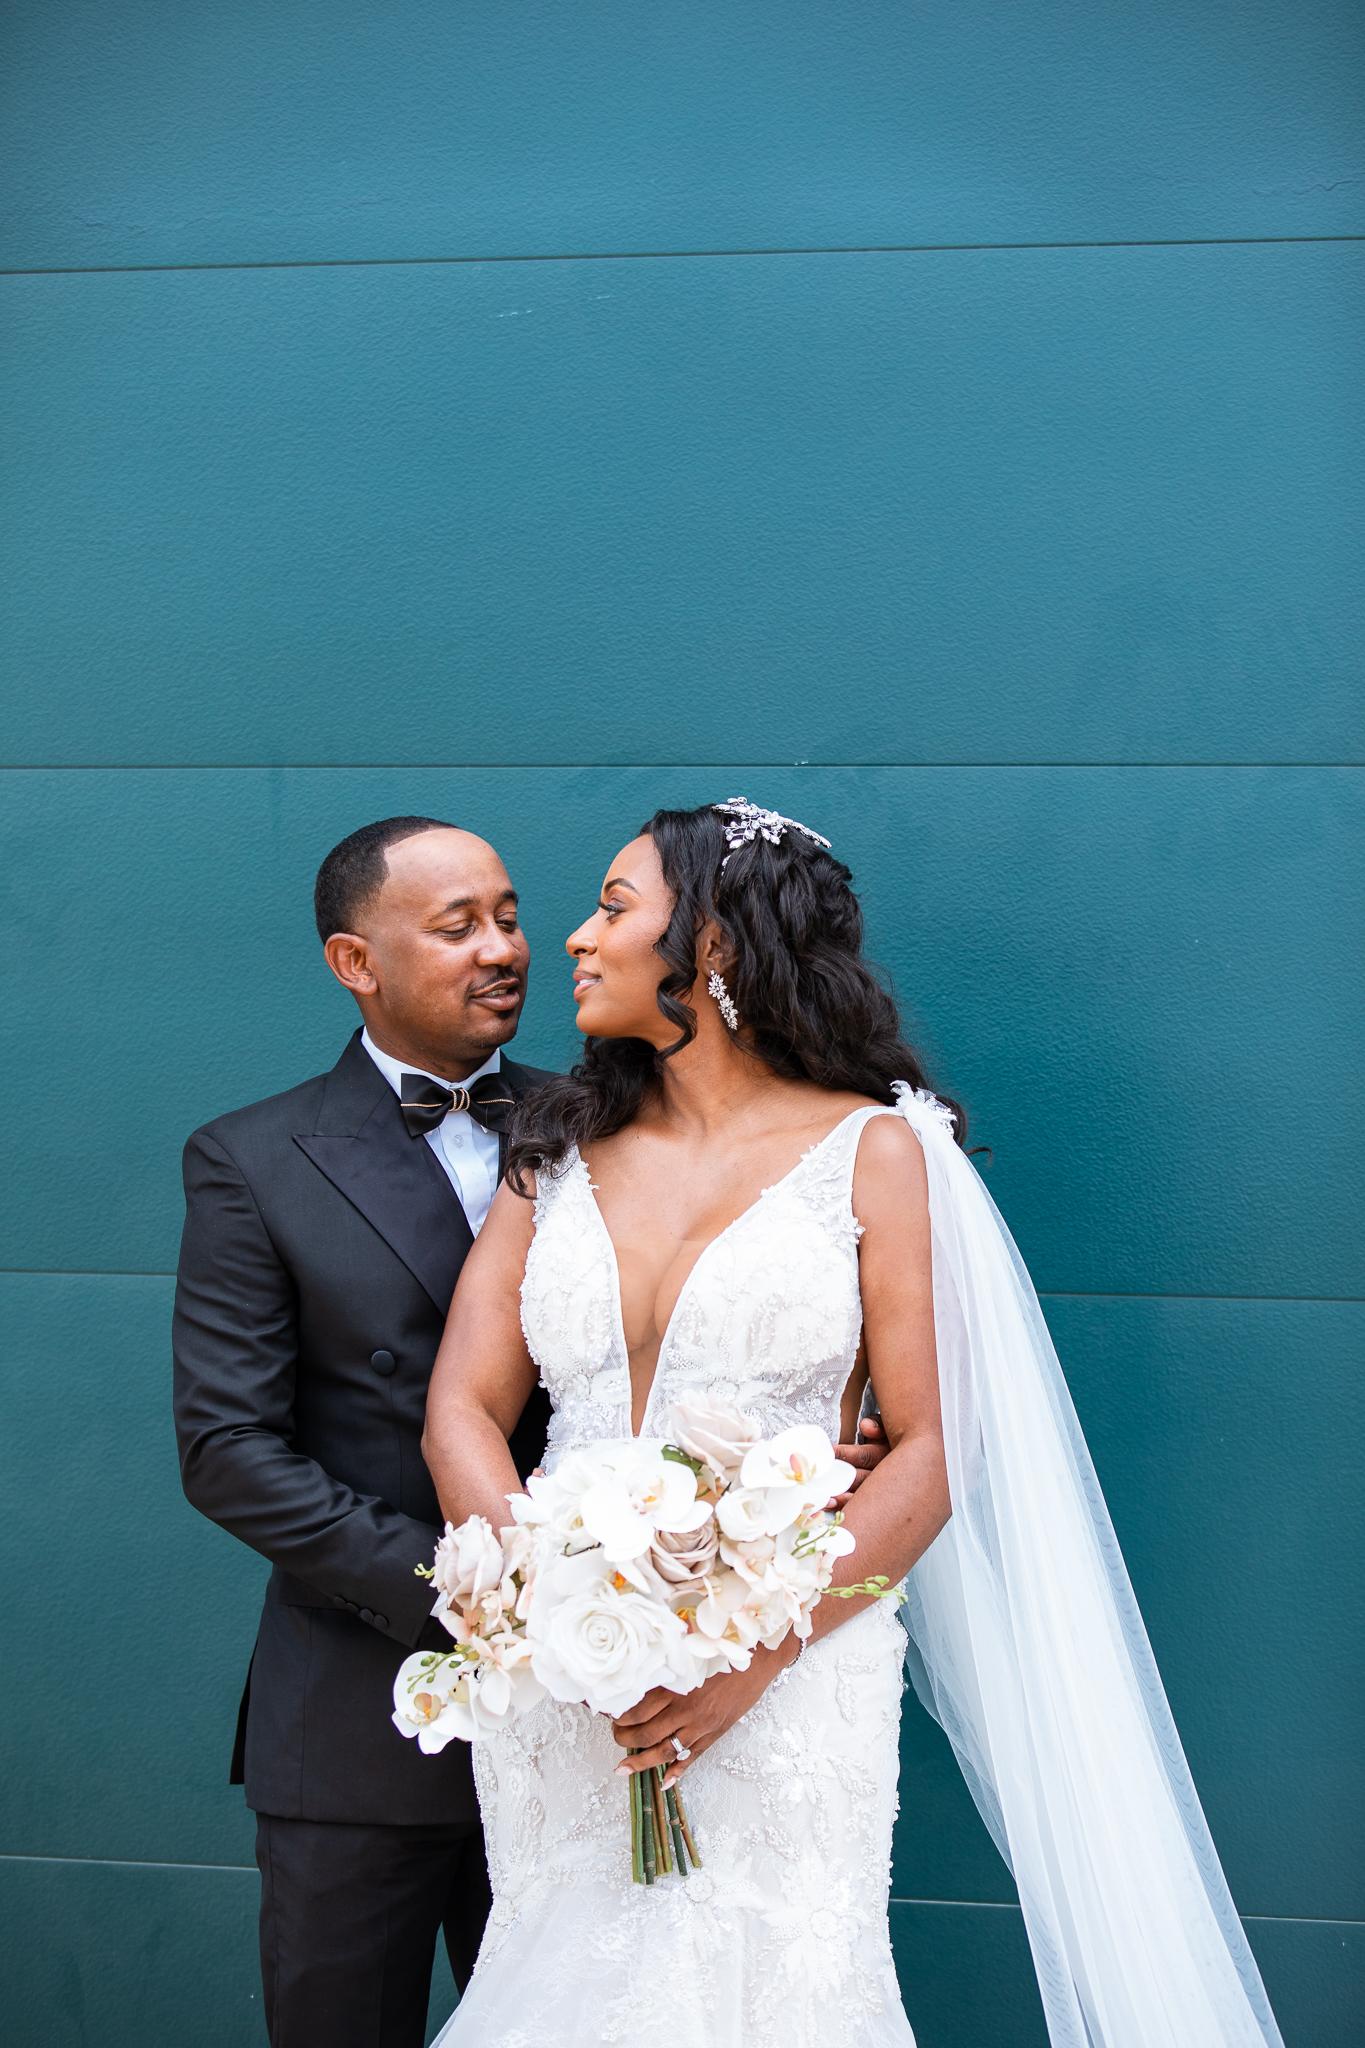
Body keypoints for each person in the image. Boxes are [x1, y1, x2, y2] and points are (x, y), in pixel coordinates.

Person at [420, 797, 1286, 2048]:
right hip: (568, 1684)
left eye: (613, 907)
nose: (575, 937)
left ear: (712, 942)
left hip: (790, 1667)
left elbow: (932, 1446)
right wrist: (545, 1600)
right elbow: (461, 1403)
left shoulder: (877, 1151)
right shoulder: (554, 1150)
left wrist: (751, 1657)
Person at [172, 812, 887, 2048]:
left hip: (635, 1711)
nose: (507, 947)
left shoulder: (606, 1114)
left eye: (508, 916)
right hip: (375, 1708)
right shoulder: (252, 1157)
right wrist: (513, 1599)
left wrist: (816, 1443)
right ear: (357, 961)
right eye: (460, 926)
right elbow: (228, 1452)